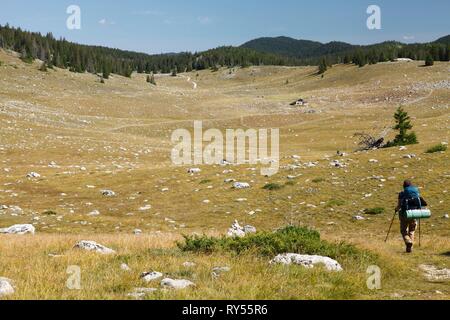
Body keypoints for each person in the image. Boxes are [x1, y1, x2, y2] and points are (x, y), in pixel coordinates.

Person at [395, 180, 423, 253]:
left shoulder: (402, 194)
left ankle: (408, 242)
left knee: (403, 230)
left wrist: (396, 209)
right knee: (412, 230)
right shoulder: (415, 193)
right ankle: (410, 248)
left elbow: (399, 205)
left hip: (405, 214)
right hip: (414, 214)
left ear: (404, 186)